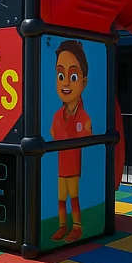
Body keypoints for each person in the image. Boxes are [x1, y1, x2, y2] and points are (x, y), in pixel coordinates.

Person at [50, 40, 91, 242]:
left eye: (72, 76)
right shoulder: (58, 115)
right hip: (61, 166)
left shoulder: (83, 117)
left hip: (73, 166)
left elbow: (87, 134)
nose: (65, 82)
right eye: (60, 75)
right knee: (61, 198)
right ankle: (62, 226)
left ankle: (77, 227)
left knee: (73, 196)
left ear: (84, 82)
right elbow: (52, 133)